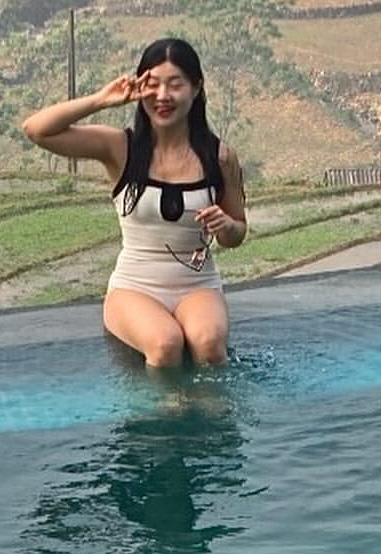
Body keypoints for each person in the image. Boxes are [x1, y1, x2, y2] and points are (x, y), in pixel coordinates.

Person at [22, 37, 248, 368]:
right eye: (152, 84)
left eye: (175, 84)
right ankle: (164, 403)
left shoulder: (220, 156)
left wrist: (226, 227)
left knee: (209, 345)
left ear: (196, 88)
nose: (162, 96)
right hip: (135, 287)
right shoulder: (120, 147)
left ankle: (213, 404)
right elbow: (37, 130)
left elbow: (237, 232)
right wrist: (101, 100)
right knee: (165, 344)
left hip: (198, 286)